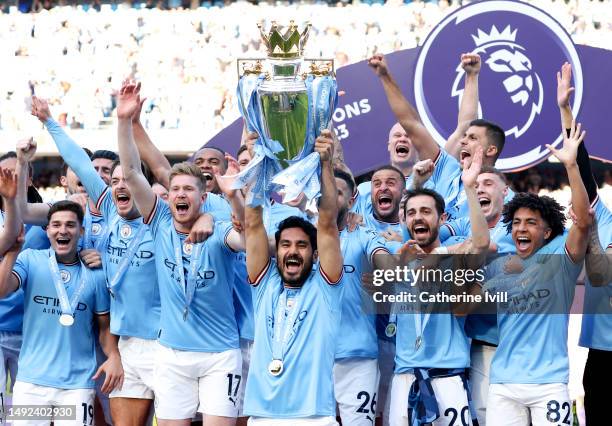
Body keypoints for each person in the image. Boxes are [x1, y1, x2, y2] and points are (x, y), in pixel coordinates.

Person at [117, 82, 245, 426]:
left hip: (220, 353)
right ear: (167, 196)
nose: (180, 194)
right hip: (172, 353)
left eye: (189, 189)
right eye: (175, 189)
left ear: (203, 198)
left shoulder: (217, 227)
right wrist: (124, 122)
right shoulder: (158, 221)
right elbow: (131, 172)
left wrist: (234, 197)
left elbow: (247, 239)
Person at [484, 122, 591, 426]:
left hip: (549, 384)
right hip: (503, 384)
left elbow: (583, 221)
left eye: (531, 223)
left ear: (547, 231)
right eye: (517, 222)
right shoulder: (498, 264)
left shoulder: (560, 256)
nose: (521, 228)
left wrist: (571, 165)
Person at [243, 129, 343, 425]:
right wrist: (256, 164)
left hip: (313, 417)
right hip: (262, 416)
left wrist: (326, 164)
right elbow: (253, 224)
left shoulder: (326, 286)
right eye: (286, 244)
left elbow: (327, 224)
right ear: (277, 251)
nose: (293, 251)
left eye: (302, 245)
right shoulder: (265, 285)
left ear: (314, 253)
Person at [388, 147, 489, 426]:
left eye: (426, 212)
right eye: (412, 213)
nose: (418, 217)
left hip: (448, 378)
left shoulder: (457, 258)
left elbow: (480, 243)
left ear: (442, 219)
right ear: (405, 220)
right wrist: (415, 183)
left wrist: (469, 187)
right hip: (405, 377)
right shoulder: (398, 257)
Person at [0, 200, 123, 425]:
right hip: (31, 385)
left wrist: (114, 355)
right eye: (56, 225)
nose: (62, 230)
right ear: (47, 230)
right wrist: (13, 252)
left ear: (81, 231)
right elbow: (1, 290)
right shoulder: (30, 259)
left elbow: (104, 327)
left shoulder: (95, 275)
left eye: (70, 225)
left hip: (76, 388)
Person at [368, 53, 509, 221]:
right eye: (465, 137)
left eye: (472, 138)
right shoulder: (447, 170)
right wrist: (384, 76)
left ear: (491, 149)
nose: (463, 141)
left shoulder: (504, 196)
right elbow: (412, 124)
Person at [332, 168, 392, 426]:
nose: (328, 198)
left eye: (337, 193)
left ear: (352, 200)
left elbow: (386, 264)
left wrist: (386, 276)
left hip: (358, 355)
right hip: (312, 354)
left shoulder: (363, 234)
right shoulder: (301, 236)